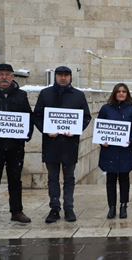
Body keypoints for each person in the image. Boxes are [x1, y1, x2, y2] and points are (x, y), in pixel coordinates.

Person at [34, 66, 92, 223]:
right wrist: (46, 130)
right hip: (51, 143)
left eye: (66, 75)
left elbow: (86, 117)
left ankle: (69, 208)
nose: (63, 78)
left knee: (69, 178)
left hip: (69, 143)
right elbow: (37, 116)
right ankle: (54, 208)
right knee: (52, 178)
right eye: (60, 75)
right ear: (55, 76)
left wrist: (76, 129)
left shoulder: (78, 95)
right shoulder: (45, 93)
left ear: (71, 77)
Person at [0, 64, 33, 223]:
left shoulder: (21, 95)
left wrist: (26, 135)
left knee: (15, 179)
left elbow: (28, 117)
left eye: (7, 74)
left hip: (15, 146)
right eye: (1, 74)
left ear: (12, 77)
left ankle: (16, 212)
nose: (4, 77)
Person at [97, 83, 132, 219]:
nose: (121, 93)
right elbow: (99, 128)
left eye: (124, 91)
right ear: (114, 93)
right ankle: (111, 207)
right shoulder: (106, 109)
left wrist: (130, 140)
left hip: (124, 150)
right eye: (118, 91)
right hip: (109, 150)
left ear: (127, 94)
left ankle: (123, 206)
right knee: (110, 179)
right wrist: (101, 140)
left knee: (124, 178)